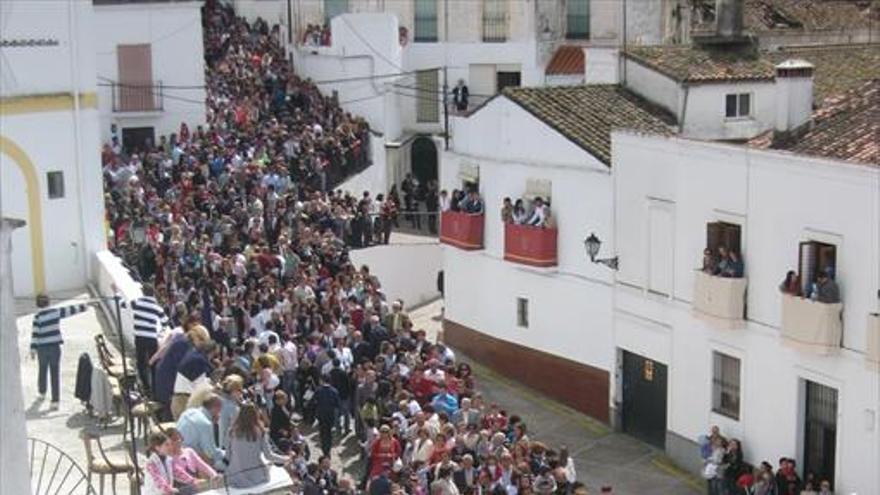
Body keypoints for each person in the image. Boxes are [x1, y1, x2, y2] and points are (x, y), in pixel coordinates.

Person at [30, 294, 91, 410]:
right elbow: (71, 310)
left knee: (42, 370)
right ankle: (55, 401)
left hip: (42, 349)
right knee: (55, 372)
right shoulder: (55, 312)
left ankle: (42, 392)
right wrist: (85, 305)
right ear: (49, 302)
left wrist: (33, 349)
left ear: (37, 304)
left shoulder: (37, 317)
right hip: (54, 347)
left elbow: (35, 334)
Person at [224, 403, 291, 489]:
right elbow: (269, 456)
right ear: (255, 415)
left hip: (235, 477)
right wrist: (286, 459)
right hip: (256, 477)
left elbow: (228, 456)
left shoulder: (231, 431)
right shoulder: (261, 432)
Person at [130, 285, 171, 394]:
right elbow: (165, 322)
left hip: (139, 337)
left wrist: (117, 293)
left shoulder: (136, 303)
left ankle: (146, 387)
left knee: (141, 363)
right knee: (153, 363)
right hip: (152, 338)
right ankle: (155, 388)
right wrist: (160, 334)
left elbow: (122, 304)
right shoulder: (157, 307)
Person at [176, 394, 225, 469]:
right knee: (223, 465)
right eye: (220, 410)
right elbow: (211, 453)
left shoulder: (189, 411)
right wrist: (228, 454)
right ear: (215, 408)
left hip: (177, 451)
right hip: (187, 457)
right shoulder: (205, 424)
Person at [314, 375, 341, 457]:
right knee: (329, 432)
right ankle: (328, 448)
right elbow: (337, 404)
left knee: (322, 432)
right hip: (330, 415)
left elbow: (315, 401)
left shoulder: (318, 390)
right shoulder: (334, 391)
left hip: (321, 414)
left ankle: (324, 449)